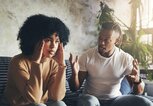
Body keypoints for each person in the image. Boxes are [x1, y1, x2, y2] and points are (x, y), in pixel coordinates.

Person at [69, 22, 153, 106]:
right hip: (92, 99)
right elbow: (74, 88)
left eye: (106, 40)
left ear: (117, 41)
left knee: (146, 103)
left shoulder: (125, 59)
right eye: (100, 38)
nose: (101, 43)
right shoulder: (87, 56)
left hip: (115, 99)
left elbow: (138, 92)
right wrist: (75, 74)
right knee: (89, 102)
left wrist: (137, 81)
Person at [1, 14, 70, 106]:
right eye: (48, 40)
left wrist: (61, 66)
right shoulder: (18, 62)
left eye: (57, 41)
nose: (53, 46)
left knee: (60, 104)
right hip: (16, 104)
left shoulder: (53, 63)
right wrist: (36, 63)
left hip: (40, 104)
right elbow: (33, 98)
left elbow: (56, 96)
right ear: (34, 40)